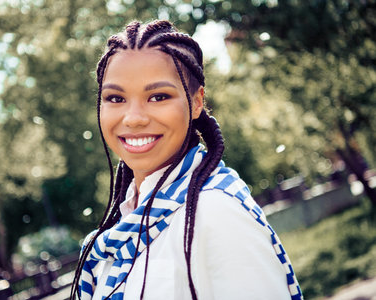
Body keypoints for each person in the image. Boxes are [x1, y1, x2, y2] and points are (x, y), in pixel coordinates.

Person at [71, 20, 303, 300]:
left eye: (158, 96)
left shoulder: (216, 213)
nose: (133, 118)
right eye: (116, 98)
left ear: (196, 102)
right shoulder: (117, 233)